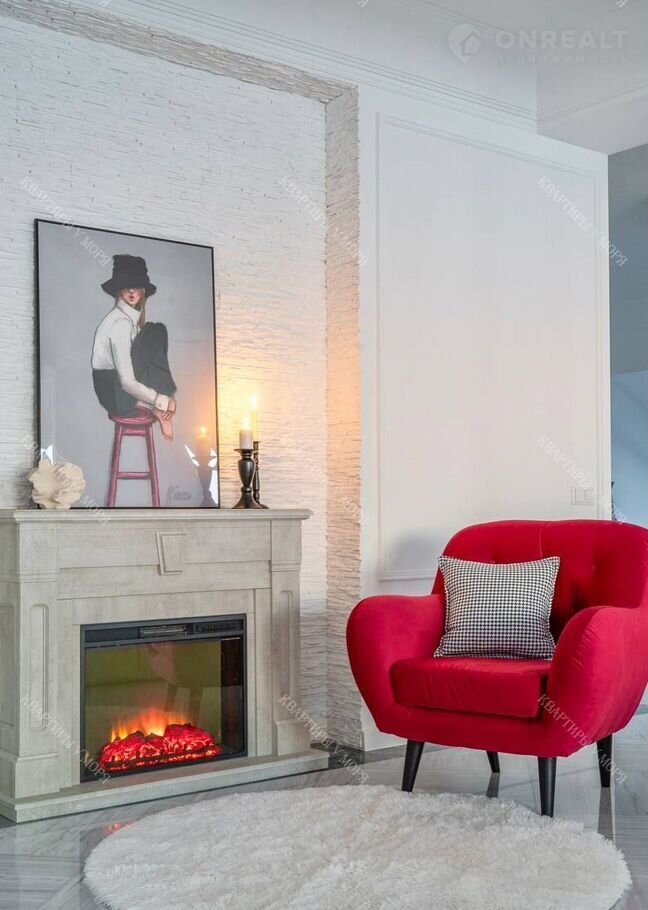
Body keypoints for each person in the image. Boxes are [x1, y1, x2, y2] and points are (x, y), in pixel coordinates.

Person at [91, 255, 177, 440]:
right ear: (119, 290)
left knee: (152, 331)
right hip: (116, 395)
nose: (131, 290)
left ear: (143, 291)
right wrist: (161, 400)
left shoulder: (130, 320)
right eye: (126, 285)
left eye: (136, 286)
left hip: (114, 394)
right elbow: (127, 382)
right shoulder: (121, 323)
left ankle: (162, 406)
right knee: (155, 331)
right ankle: (164, 406)